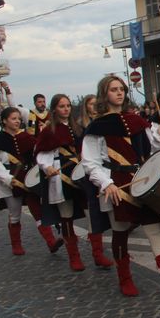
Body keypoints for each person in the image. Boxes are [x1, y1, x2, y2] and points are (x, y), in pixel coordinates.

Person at [81, 76, 160, 297]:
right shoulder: (97, 127)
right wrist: (106, 184)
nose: (119, 93)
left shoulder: (136, 121)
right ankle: (125, 279)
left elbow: (152, 147)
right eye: (113, 89)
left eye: (121, 89)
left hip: (143, 180)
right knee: (121, 231)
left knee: (154, 229)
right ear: (104, 94)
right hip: (117, 184)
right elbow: (90, 162)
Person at [35, 94, 113, 271]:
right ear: (54, 109)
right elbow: (42, 153)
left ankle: (98, 254)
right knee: (67, 217)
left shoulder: (77, 127)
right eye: (62, 106)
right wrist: (47, 167)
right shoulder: (49, 131)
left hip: (81, 173)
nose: (66, 109)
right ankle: (74, 257)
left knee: (92, 212)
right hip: (61, 176)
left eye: (68, 106)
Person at [0, 107, 64, 255]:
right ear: (4, 121)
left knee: (37, 210)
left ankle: (51, 242)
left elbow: (37, 152)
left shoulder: (25, 137)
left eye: (18, 119)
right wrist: (8, 179)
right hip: (10, 182)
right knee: (15, 215)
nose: (17, 121)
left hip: (28, 179)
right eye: (13, 118)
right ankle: (16, 245)